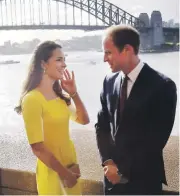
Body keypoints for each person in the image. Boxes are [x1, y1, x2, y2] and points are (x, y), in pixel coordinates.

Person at [95, 25, 177, 195]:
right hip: (111, 182)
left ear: (127, 50)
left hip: (143, 182)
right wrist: (108, 162)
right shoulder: (109, 81)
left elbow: (155, 140)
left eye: (108, 52)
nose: (104, 59)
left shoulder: (162, 86)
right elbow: (101, 126)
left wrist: (121, 171)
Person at [15, 41, 90, 195]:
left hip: (71, 168)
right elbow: (37, 147)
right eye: (59, 60)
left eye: (64, 60)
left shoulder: (61, 96)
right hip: (54, 171)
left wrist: (74, 93)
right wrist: (65, 174)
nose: (64, 65)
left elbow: (84, 120)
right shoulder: (32, 99)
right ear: (43, 64)